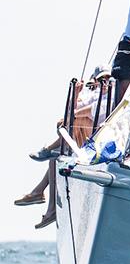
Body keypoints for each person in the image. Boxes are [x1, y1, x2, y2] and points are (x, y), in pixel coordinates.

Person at [16, 65, 114, 228]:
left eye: (107, 79)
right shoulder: (95, 96)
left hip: (98, 147)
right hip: (84, 144)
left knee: (69, 124)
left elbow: (74, 116)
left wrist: (72, 113)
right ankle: (46, 202)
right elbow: (71, 114)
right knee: (55, 159)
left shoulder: (109, 99)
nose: (104, 83)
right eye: (99, 80)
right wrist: (75, 95)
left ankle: (48, 152)